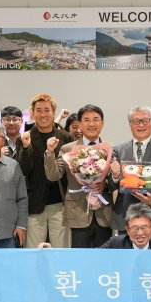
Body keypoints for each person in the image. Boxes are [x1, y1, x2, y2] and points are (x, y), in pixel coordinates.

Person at [44, 104, 113, 248]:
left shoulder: (111, 149)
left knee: (104, 258)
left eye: (96, 119)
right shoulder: (68, 149)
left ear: (103, 123)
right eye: (86, 120)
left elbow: (116, 181)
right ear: (80, 124)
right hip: (77, 212)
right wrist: (50, 153)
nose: (91, 123)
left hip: (104, 214)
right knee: (78, 259)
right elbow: (53, 175)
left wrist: (105, 184)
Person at [16, 93, 75, 248]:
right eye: (39, 110)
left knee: (61, 252)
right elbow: (23, 170)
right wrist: (26, 147)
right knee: (33, 252)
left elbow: (71, 172)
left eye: (47, 110)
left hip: (60, 204)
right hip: (34, 205)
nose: (43, 114)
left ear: (53, 112)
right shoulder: (24, 137)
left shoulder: (66, 137)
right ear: (33, 113)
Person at [110, 106, 151, 234]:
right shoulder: (118, 150)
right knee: (126, 254)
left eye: (145, 120)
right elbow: (112, 185)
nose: (141, 125)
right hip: (125, 218)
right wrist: (115, 175)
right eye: (136, 121)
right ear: (130, 124)